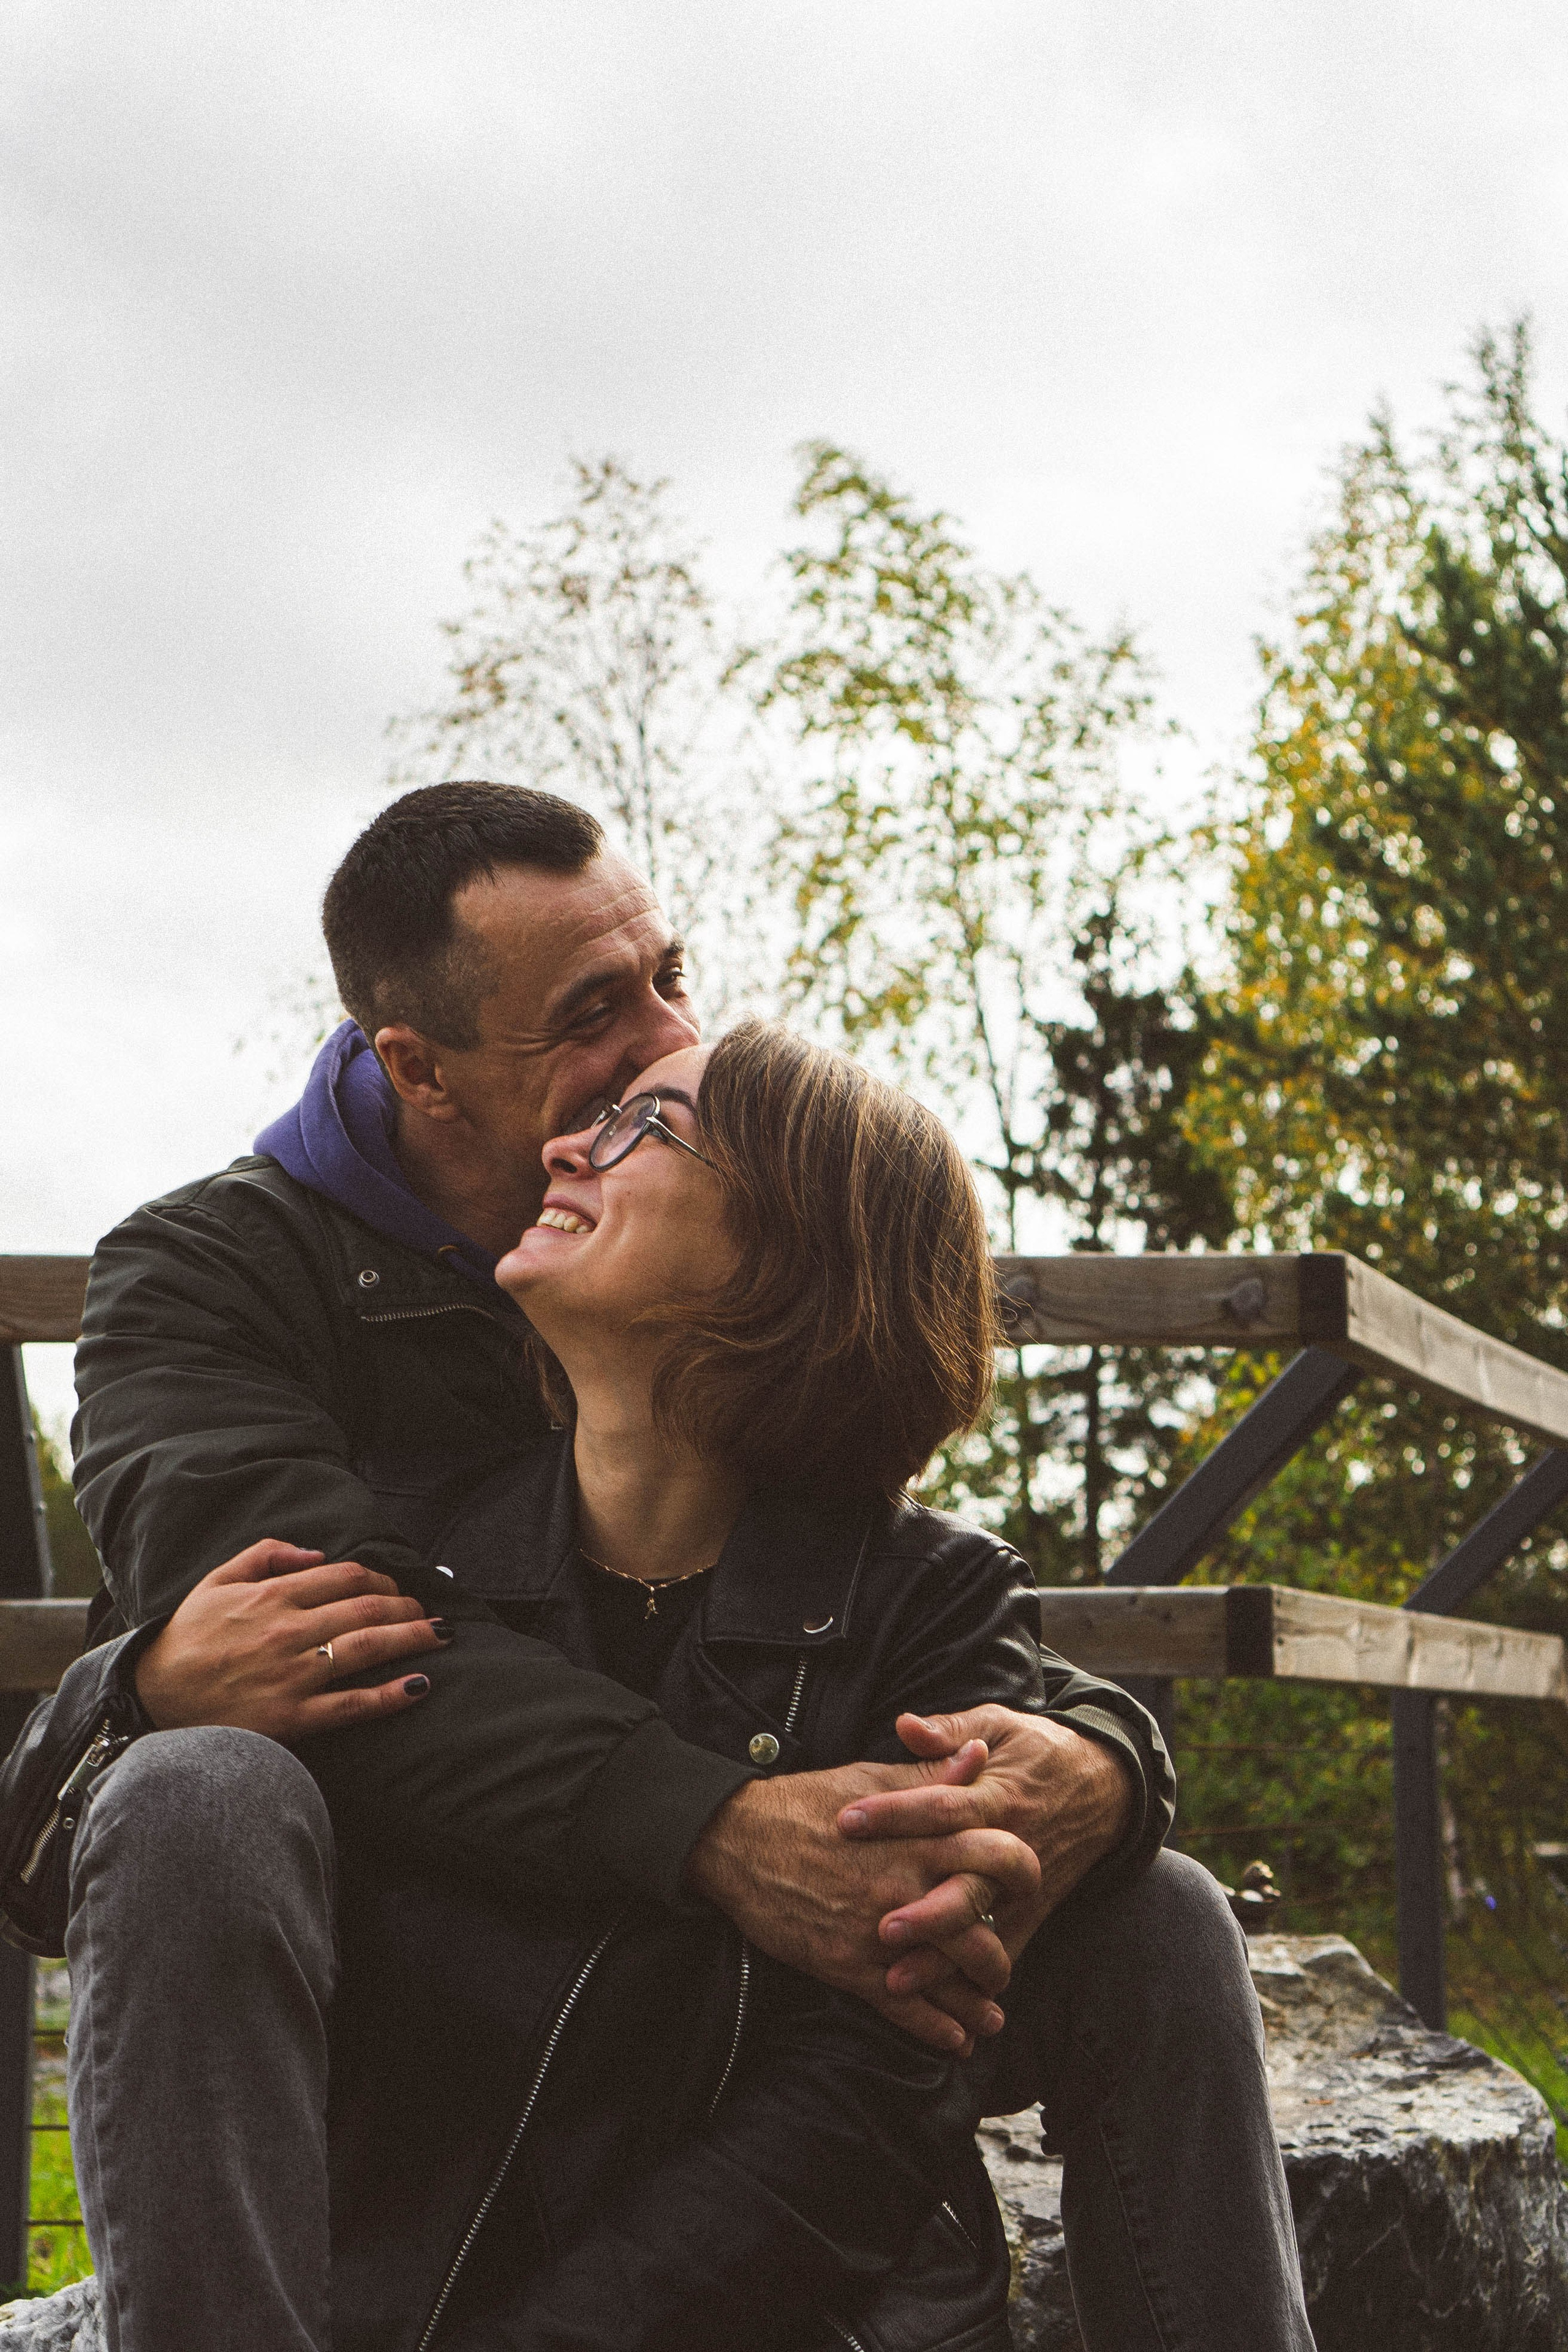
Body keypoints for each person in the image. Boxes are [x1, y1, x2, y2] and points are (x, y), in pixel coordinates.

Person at [8, 782, 1311, 2350]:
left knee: (1154, 1909)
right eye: (588, 1019)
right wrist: (722, 1829)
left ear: (770, 1278)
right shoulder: (223, 1281)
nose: (660, 1037)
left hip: (704, 2070)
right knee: (197, 1788)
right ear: (415, 1064)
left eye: (666, 977)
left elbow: (894, 1602)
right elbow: (329, 1653)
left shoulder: (806, 1476)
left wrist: (1104, 1765)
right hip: (414, 1962)